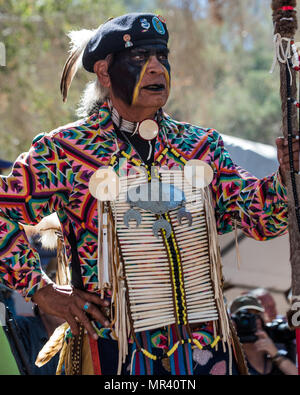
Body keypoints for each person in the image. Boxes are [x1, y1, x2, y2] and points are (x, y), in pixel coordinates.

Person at [0, 12, 298, 375]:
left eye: (162, 56)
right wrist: (42, 291)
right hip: (113, 354)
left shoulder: (200, 146)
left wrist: (287, 176)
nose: (157, 69)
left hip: (203, 354)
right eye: (140, 59)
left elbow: (261, 218)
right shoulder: (64, 151)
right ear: (105, 72)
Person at [230, 295, 297, 375]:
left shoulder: (277, 343)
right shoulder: (229, 355)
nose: (249, 322)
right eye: (243, 318)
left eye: (255, 316)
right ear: (233, 322)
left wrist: (275, 355)